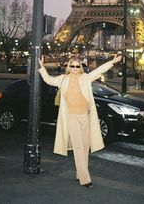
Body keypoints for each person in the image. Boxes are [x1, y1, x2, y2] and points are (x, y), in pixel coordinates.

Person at [38, 54, 122, 189]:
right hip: (71, 117)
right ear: (68, 67)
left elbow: (99, 70)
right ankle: (85, 178)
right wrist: (42, 67)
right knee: (77, 147)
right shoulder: (63, 79)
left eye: (78, 66)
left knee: (84, 147)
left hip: (85, 117)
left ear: (81, 67)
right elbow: (48, 80)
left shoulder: (85, 78)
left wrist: (112, 62)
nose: (75, 68)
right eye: (72, 66)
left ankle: (79, 174)